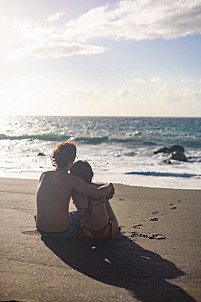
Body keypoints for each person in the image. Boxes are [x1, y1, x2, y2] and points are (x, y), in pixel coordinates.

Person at [35, 141, 114, 239]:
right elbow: (97, 194)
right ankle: (111, 225)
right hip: (62, 232)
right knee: (83, 212)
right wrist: (109, 186)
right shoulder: (71, 179)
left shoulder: (44, 175)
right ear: (71, 161)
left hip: (41, 229)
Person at [70, 160, 118, 239]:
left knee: (82, 211)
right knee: (103, 197)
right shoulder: (99, 190)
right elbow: (107, 188)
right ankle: (112, 221)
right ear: (90, 174)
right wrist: (109, 185)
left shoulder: (74, 191)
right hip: (107, 231)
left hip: (87, 232)